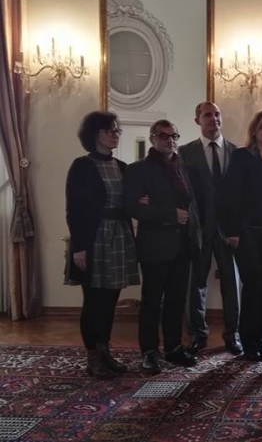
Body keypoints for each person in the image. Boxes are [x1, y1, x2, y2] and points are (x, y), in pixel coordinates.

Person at [66, 111, 140, 379]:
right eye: (110, 130)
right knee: (94, 300)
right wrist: (79, 247)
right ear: (94, 133)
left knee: (110, 300)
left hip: (119, 236)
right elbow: (74, 209)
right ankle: (93, 357)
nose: (115, 134)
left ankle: (104, 350)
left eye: (117, 130)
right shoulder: (81, 166)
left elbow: (130, 201)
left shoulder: (122, 166)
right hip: (94, 238)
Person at [124, 120, 202, 373]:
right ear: (153, 138)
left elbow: (190, 204)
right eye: (164, 135)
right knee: (151, 302)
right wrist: (170, 214)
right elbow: (134, 208)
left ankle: (173, 347)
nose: (170, 140)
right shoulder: (138, 170)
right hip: (155, 246)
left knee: (176, 301)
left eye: (174, 136)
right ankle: (149, 352)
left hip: (183, 245)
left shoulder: (184, 169)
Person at [221, 109, 262, 361]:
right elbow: (230, 196)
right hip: (247, 233)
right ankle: (248, 342)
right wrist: (233, 231)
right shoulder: (242, 157)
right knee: (253, 286)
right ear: (254, 131)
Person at [179, 101, 242, 355]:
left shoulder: (237, 152)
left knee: (232, 284)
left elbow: (243, 195)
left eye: (217, 114)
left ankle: (233, 334)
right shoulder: (185, 152)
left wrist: (238, 229)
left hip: (229, 230)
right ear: (197, 120)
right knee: (195, 284)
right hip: (198, 229)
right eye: (207, 115)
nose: (213, 118)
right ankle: (197, 334)